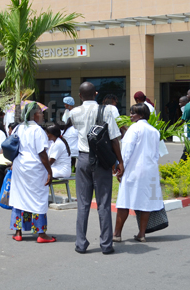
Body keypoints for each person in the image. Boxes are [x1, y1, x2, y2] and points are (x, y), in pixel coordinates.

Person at [67, 82, 123, 255]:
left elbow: (73, 129)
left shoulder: (74, 112)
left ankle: (81, 244)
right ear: (96, 94)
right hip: (101, 160)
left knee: (83, 204)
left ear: (79, 95)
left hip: (83, 159)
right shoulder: (106, 111)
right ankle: (106, 245)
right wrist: (119, 161)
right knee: (103, 203)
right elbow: (114, 139)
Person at [114, 104, 164, 242]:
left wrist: (120, 167)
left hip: (133, 170)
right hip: (150, 170)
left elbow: (127, 151)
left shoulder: (134, 129)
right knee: (145, 202)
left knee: (124, 201)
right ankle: (142, 234)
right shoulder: (154, 131)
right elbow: (156, 154)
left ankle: (117, 234)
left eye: (133, 113)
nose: (130, 115)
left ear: (141, 115)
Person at [9, 102, 55, 243]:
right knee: (38, 198)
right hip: (34, 168)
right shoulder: (38, 130)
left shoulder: (18, 128)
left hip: (19, 166)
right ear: (35, 115)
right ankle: (41, 234)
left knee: (19, 197)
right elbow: (42, 153)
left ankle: (18, 232)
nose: (42, 115)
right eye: (40, 113)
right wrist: (49, 171)